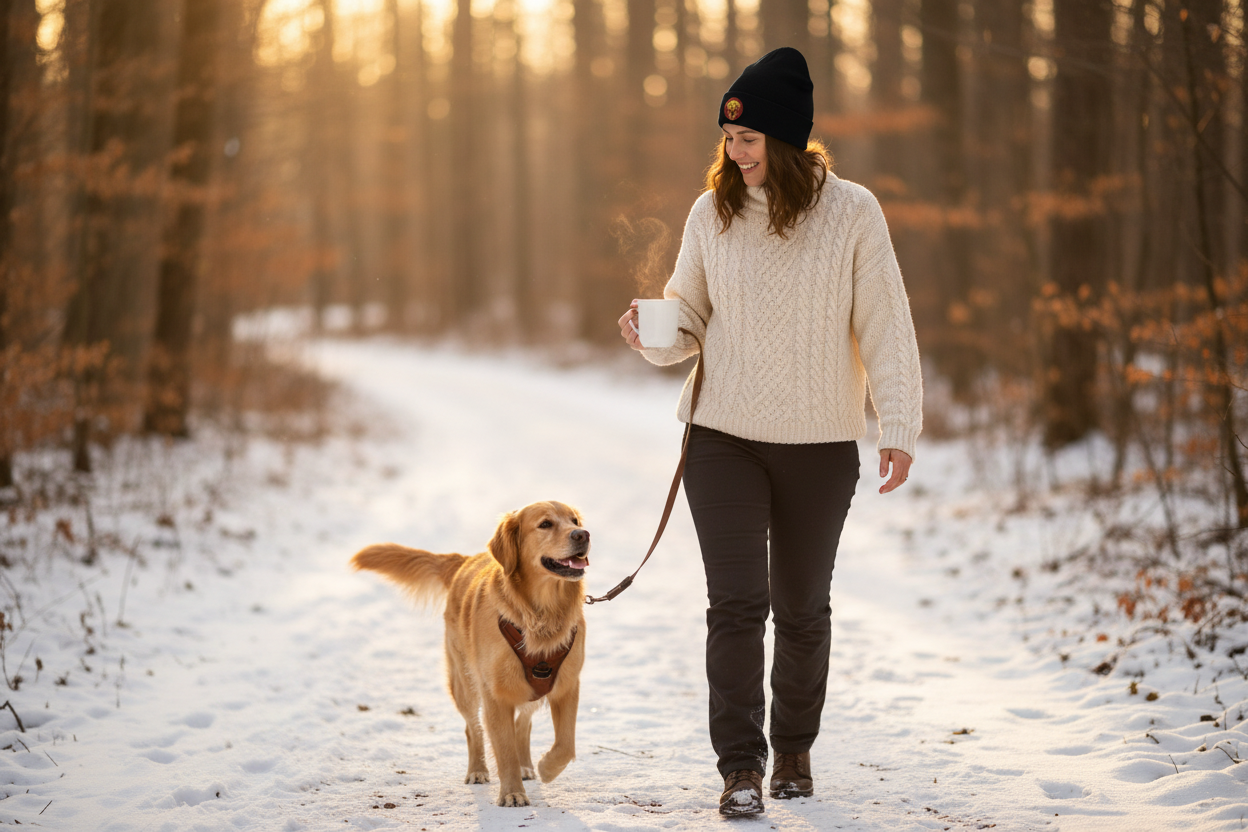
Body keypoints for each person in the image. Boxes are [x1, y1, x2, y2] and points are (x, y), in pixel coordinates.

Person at [617, 47, 922, 816]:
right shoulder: (709, 212)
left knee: (801, 607)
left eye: (748, 139)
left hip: (820, 444)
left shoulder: (853, 212)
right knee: (736, 603)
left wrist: (899, 424)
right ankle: (740, 769)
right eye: (727, 138)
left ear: (785, 139)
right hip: (722, 437)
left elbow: (886, 326)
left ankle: (792, 752)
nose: (733, 151)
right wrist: (653, 337)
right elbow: (687, 315)